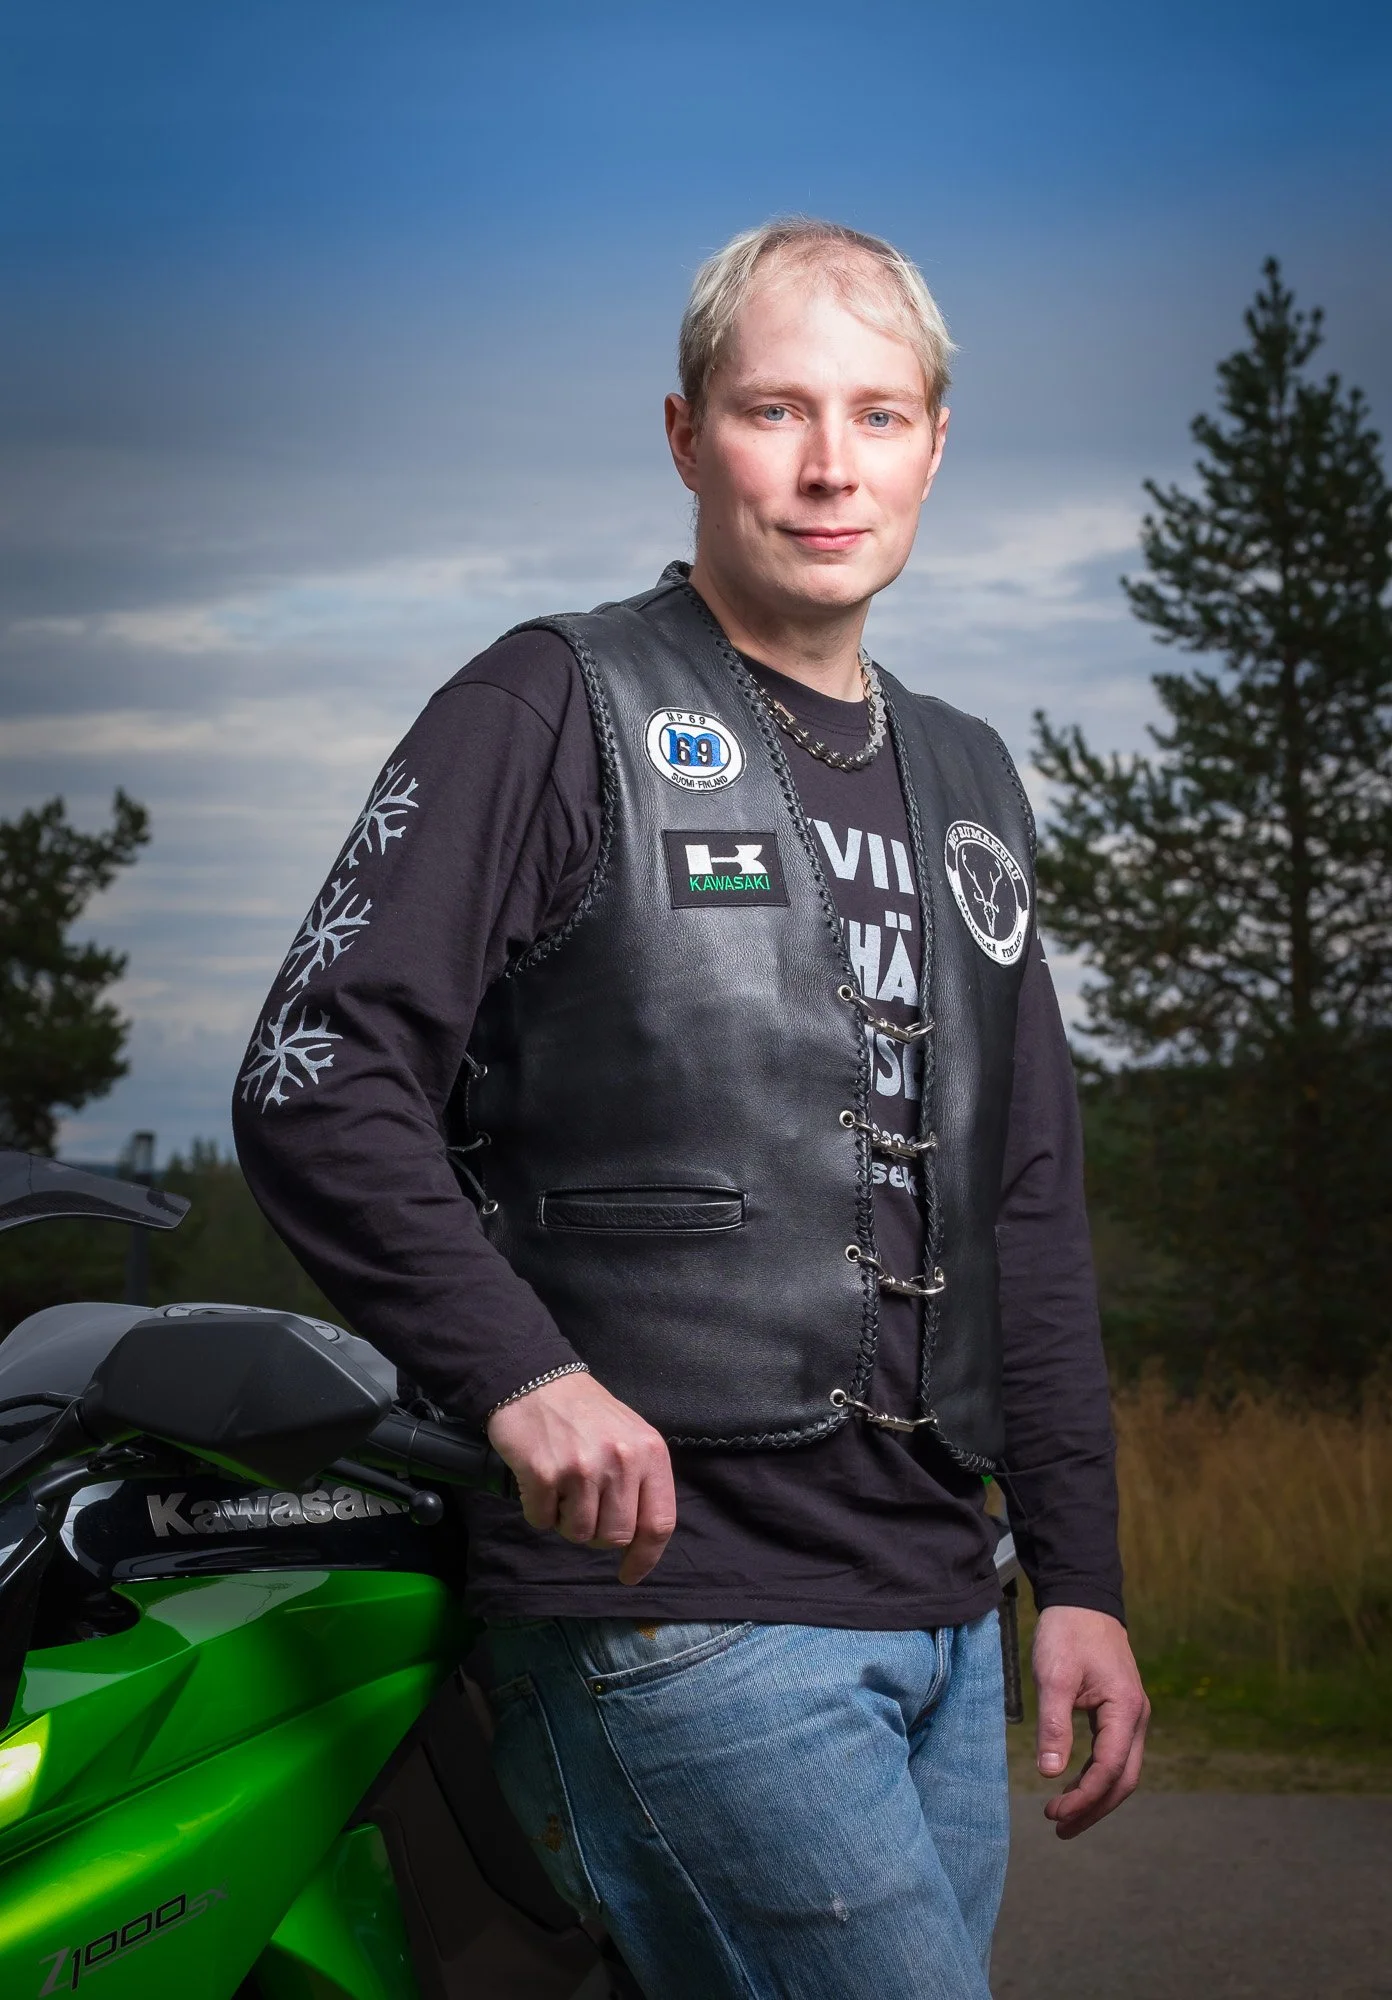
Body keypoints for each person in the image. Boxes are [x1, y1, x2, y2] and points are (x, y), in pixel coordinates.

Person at [233, 216, 1148, 1999]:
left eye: (879, 416)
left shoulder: (971, 775)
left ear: (936, 447)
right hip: (678, 1616)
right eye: (775, 410)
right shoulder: (547, 703)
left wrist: (1084, 1577)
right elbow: (315, 1075)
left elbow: (1025, 1202)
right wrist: (523, 1372)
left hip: (945, 1617)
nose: (829, 466)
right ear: (685, 435)